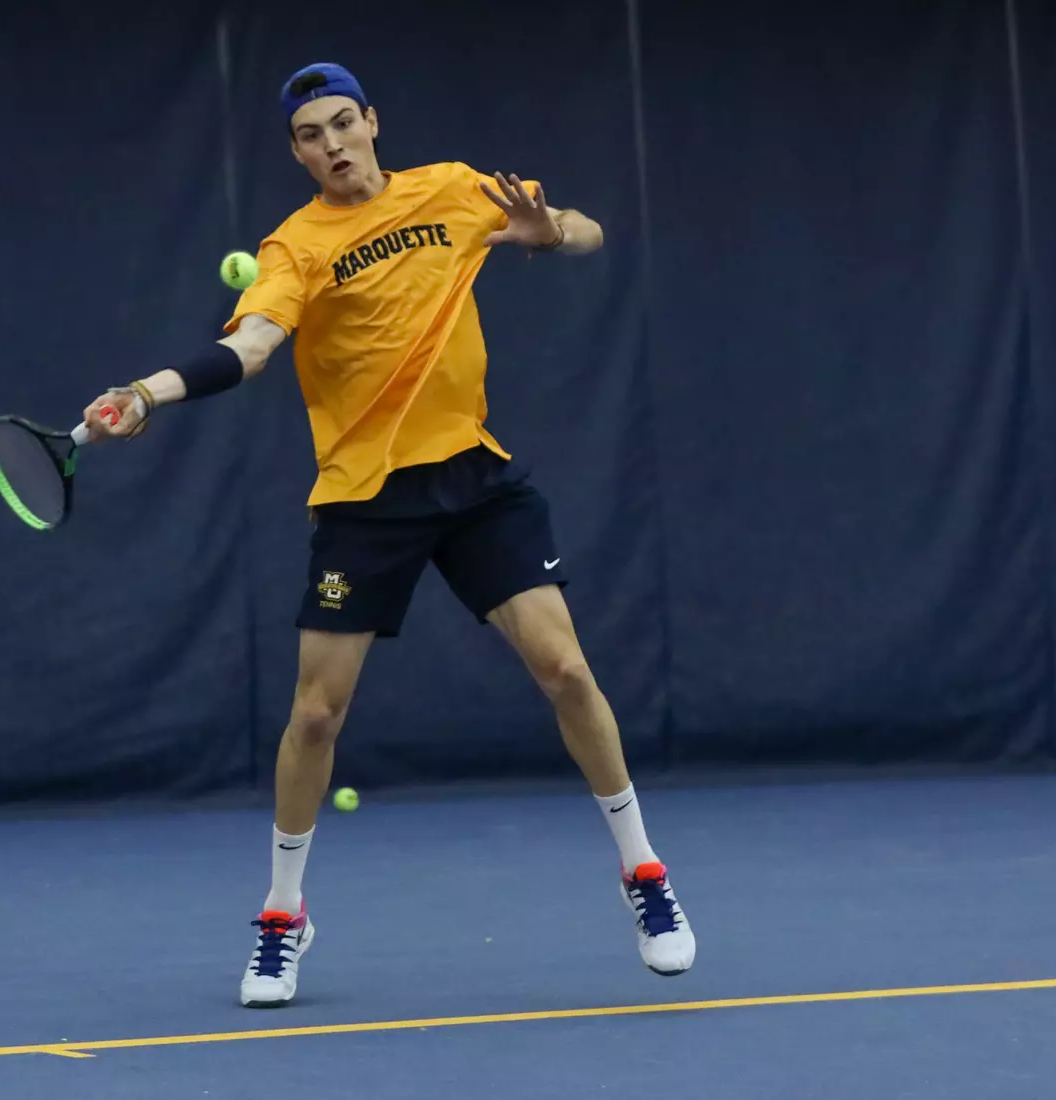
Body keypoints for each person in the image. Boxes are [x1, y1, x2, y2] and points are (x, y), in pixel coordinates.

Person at [83, 62, 695, 1008]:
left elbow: (587, 231)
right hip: (365, 501)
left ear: (371, 121)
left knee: (567, 671)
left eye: (341, 123)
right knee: (317, 716)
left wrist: (547, 232)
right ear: (296, 152)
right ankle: (284, 915)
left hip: (476, 477)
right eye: (309, 136)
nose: (330, 145)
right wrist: (149, 392)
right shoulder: (294, 246)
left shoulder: (454, 189)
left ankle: (644, 875)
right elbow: (249, 349)